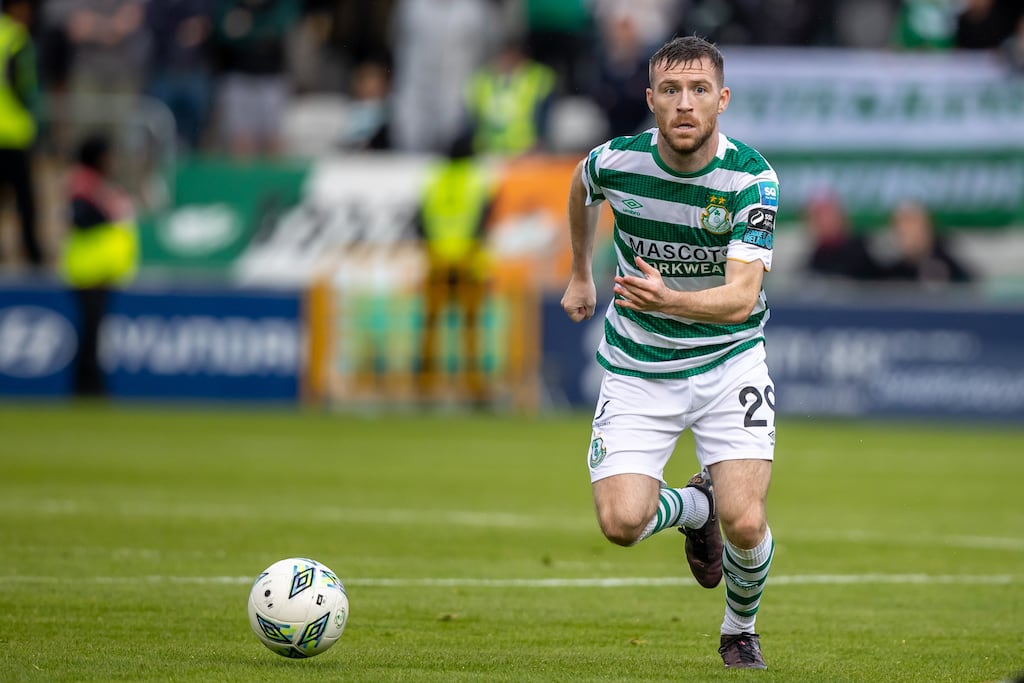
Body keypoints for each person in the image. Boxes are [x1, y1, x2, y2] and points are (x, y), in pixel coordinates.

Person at [560, 36, 779, 669]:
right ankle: (695, 507)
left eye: (700, 90)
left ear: (722, 99)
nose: (686, 104)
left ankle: (740, 628)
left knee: (745, 521)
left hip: (729, 360)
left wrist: (667, 300)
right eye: (672, 91)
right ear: (651, 98)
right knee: (621, 523)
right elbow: (580, 185)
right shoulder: (617, 162)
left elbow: (741, 299)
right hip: (638, 368)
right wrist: (581, 272)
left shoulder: (750, 178)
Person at [414, 131, 496, 406]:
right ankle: (473, 391)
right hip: (467, 263)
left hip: (437, 262)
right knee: (470, 329)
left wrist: (434, 250)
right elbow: (483, 221)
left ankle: (425, 389)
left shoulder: (434, 178)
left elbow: (420, 221)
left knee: (430, 327)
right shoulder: (475, 178)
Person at [60, 134, 138, 396]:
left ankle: (90, 385)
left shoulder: (98, 185)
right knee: (91, 332)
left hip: (101, 271)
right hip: (88, 271)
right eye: (107, 155)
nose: (111, 160)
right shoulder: (83, 184)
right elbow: (79, 218)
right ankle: (88, 387)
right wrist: (108, 214)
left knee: (95, 332)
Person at [0, 0, 43, 268]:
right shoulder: (17, 38)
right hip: (13, 133)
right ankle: (32, 254)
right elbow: (25, 85)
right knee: (25, 200)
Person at [463, 39, 556, 157]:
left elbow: (545, 116)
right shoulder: (482, 81)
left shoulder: (537, 79)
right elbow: (471, 121)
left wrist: (540, 142)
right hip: (488, 154)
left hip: (526, 155)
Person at [879, 200, 973, 286]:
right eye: (899, 223)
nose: (904, 229)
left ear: (928, 225)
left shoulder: (952, 269)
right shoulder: (889, 272)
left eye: (911, 221)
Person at [803, 190, 883, 281]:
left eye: (828, 215)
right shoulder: (816, 257)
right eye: (819, 217)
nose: (824, 222)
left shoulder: (862, 249)